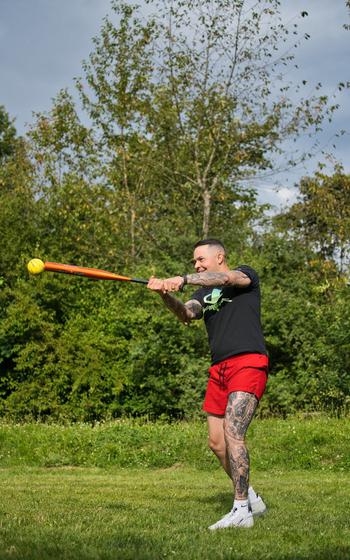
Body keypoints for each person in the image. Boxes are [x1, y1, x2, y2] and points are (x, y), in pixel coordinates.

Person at [147, 238, 269, 529]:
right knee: (216, 442)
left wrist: (182, 279)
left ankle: (241, 511)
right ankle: (251, 498)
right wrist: (165, 294)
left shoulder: (244, 276)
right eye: (193, 262)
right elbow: (186, 314)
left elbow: (226, 278)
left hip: (248, 361)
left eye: (200, 259)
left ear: (220, 257)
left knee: (233, 432)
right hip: (220, 369)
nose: (197, 264)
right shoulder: (203, 294)